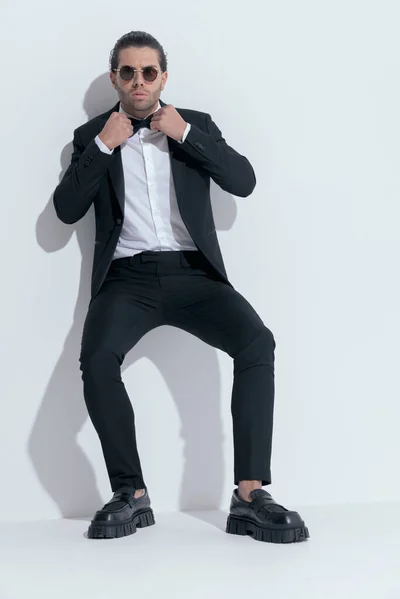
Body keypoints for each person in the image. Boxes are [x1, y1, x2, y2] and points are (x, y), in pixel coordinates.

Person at [53, 30, 309, 544]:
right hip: (126, 280)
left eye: (149, 72)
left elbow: (244, 181)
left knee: (257, 343)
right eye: (128, 72)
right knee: (97, 357)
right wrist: (106, 143)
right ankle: (132, 493)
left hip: (195, 275)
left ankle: (250, 494)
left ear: (163, 77)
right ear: (115, 79)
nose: (139, 81)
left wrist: (185, 133)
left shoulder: (197, 125)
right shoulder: (90, 137)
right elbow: (66, 210)